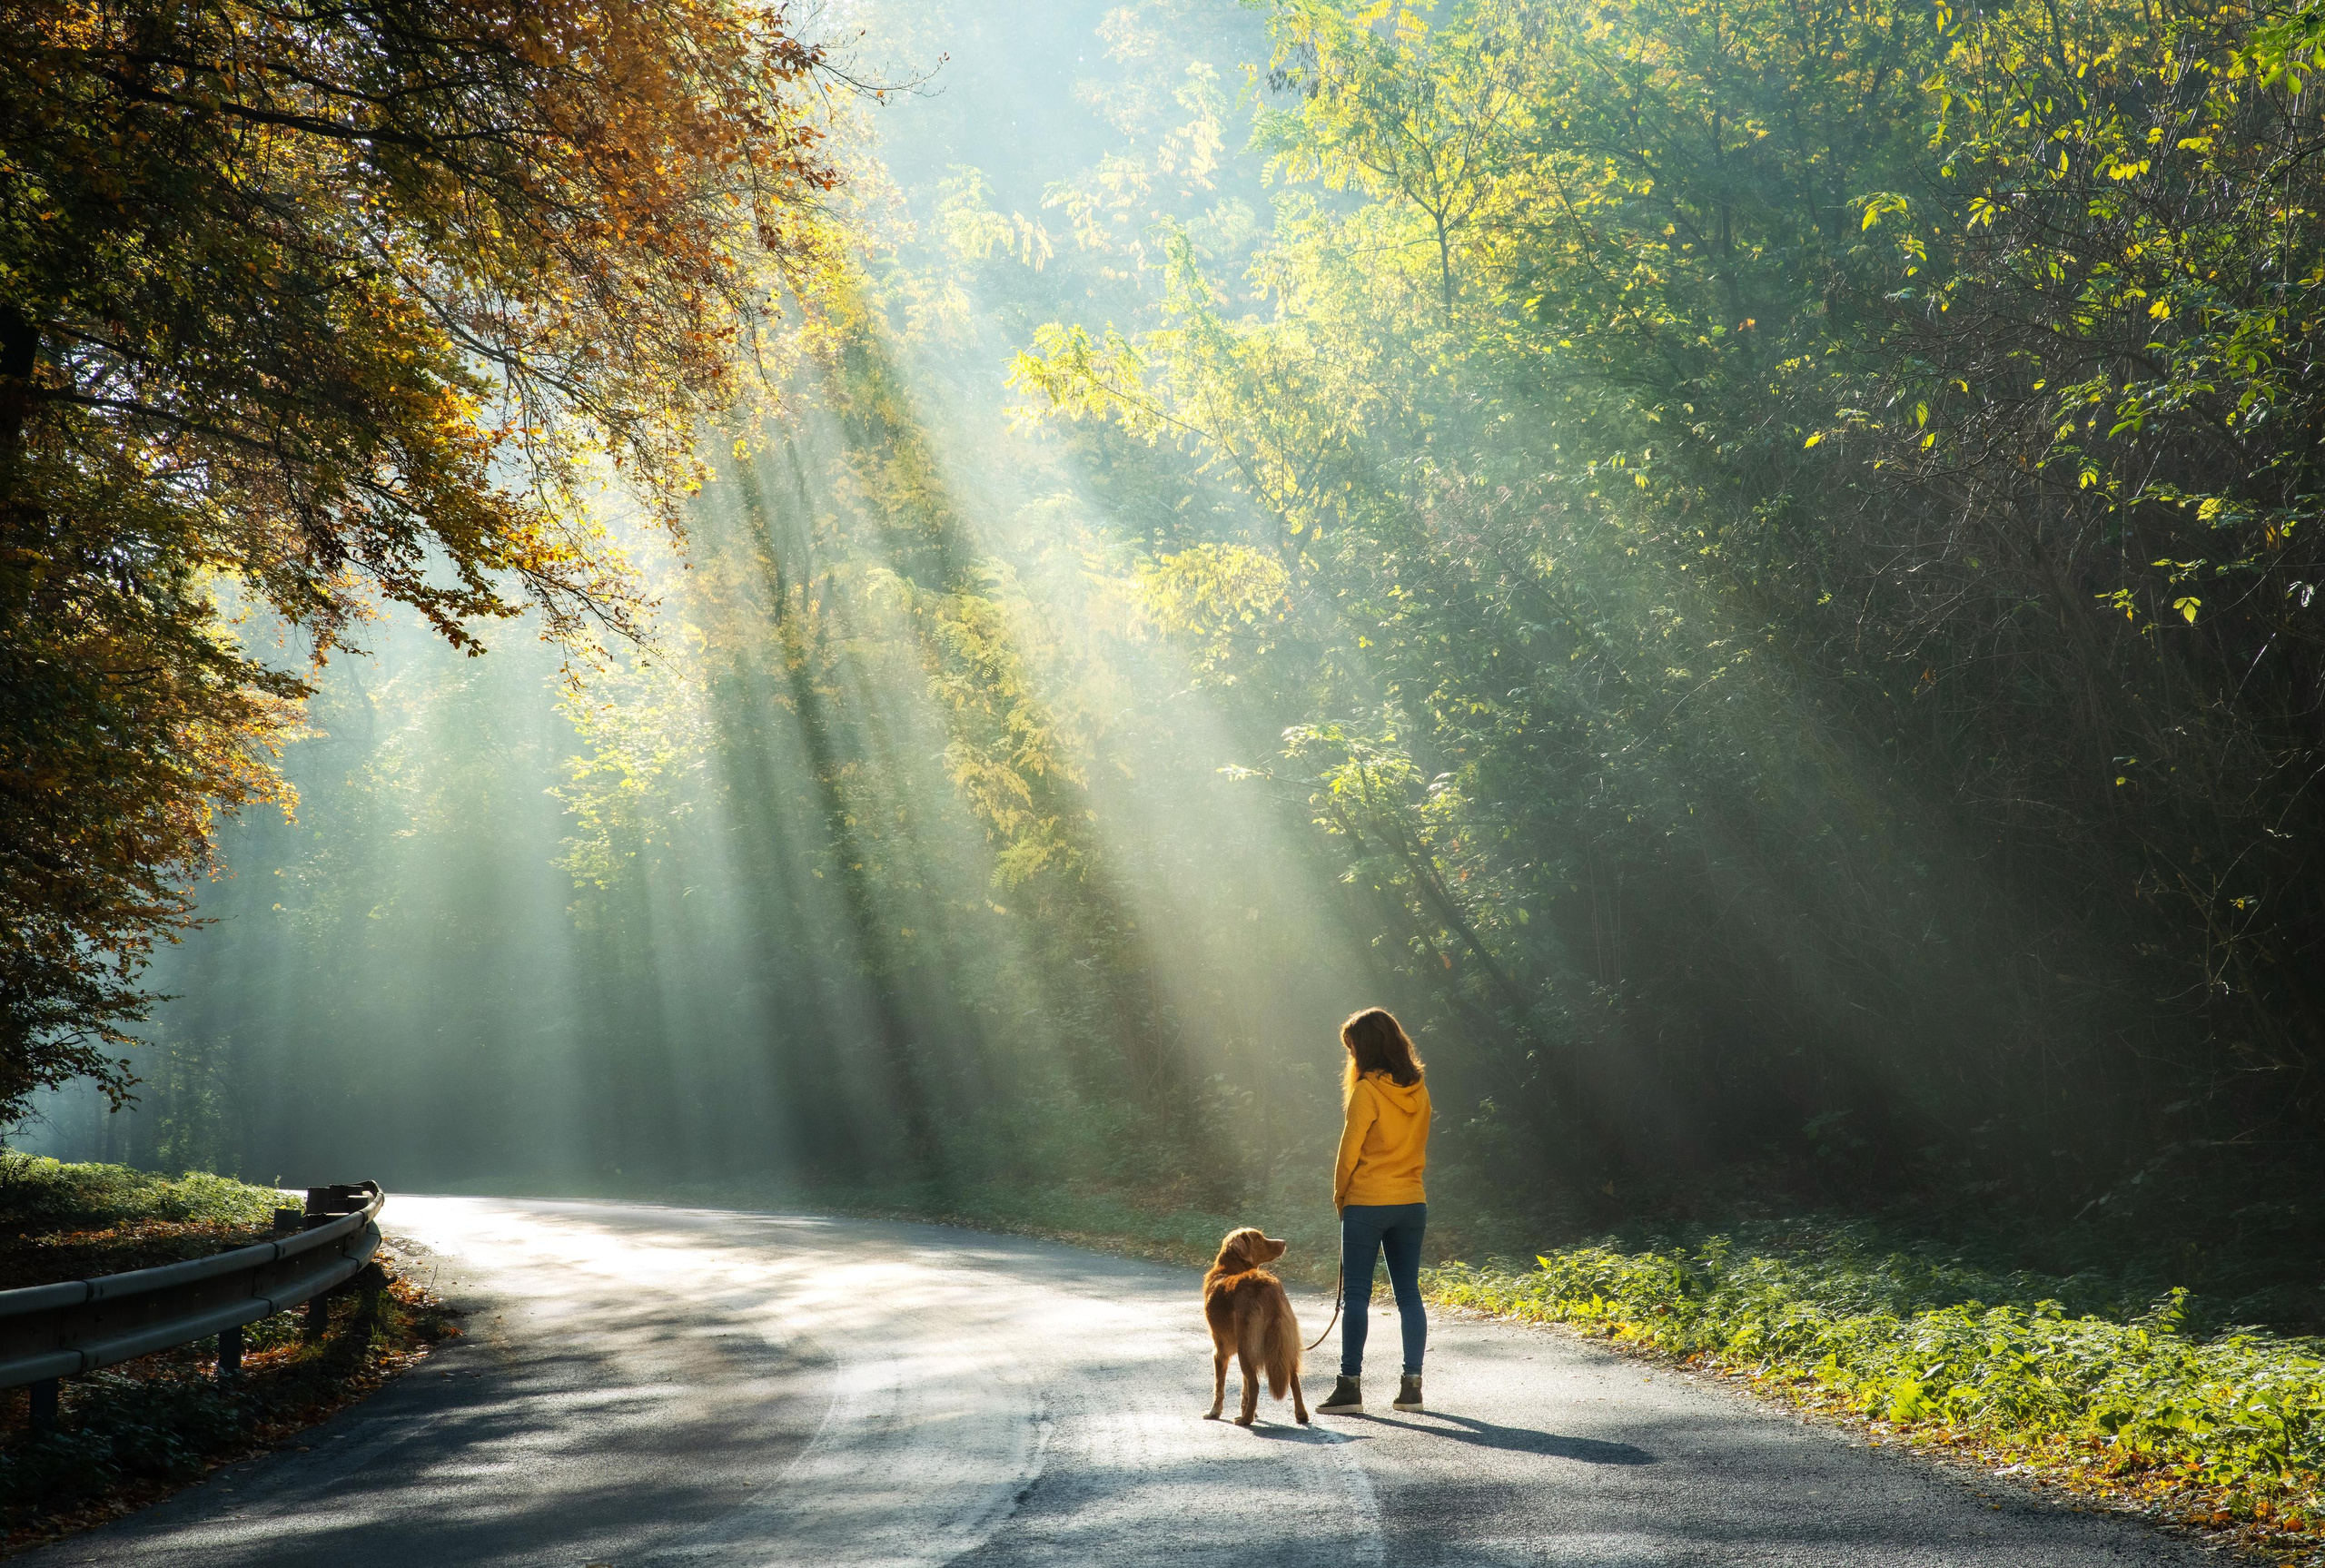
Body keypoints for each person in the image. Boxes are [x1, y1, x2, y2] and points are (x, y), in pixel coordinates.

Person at [1315, 1006, 1431, 1415]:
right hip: (1412, 1201)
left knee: (1357, 1297)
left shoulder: (1366, 1091)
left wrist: (1340, 1197)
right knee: (1409, 1296)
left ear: (1364, 1049)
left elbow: (1349, 1154)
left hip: (1367, 1200)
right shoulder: (1418, 1089)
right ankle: (1412, 1386)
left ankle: (1349, 1388)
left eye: (1351, 1049)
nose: (1350, 1058)